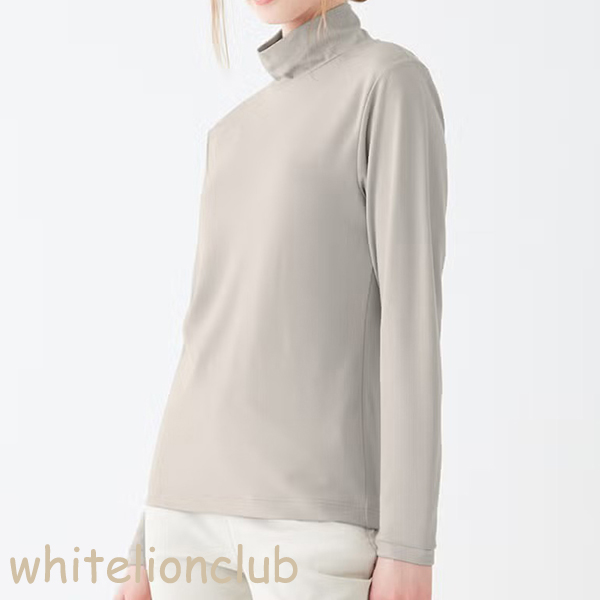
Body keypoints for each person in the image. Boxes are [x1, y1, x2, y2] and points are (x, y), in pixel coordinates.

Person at [114, 1, 448, 599]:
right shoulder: (230, 133)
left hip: (314, 522)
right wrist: (144, 541)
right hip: (181, 516)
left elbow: (411, 324)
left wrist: (408, 546)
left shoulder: (387, 82)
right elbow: (207, 334)